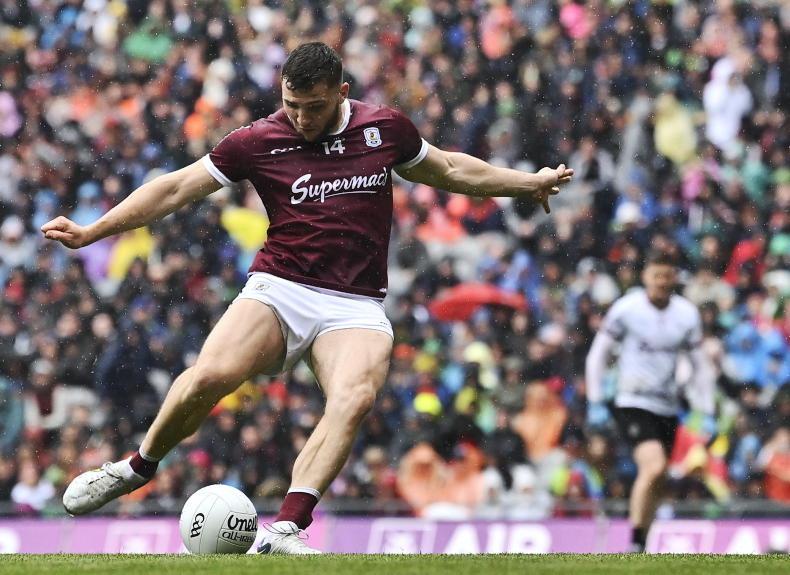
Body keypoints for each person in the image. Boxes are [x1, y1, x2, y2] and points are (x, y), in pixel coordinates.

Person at [42, 42, 573, 554]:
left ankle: (286, 528)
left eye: (314, 106)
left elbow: (453, 170)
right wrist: (94, 230)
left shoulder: (385, 129)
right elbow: (176, 187)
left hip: (355, 303)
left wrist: (526, 184)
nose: (300, 117)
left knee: (354, 397)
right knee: (210, 377)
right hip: (281, 287)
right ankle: (136, 467)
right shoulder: (257, 140)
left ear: (342, 92)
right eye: (291, 104)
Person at [585, 251, 715, 552]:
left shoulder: (686, 315)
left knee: (659, 477)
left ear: (674, 278)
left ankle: (643, 542)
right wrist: (595, 399)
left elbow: (700, 365)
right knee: (653, 465)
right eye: (656, 276)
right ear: (645, 277)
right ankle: (633, 541)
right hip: (632, 401)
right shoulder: (626, 309)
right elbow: (598, 354)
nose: (661, 282)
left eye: (667, 276)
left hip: (667, 407)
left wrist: (707, 410)